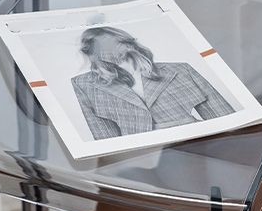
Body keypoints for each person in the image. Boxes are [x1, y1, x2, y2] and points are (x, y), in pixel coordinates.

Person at [71, 26, 235, 140]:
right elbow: (105, 139)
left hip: (196, 142)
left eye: (113, 43)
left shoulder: (179, 69)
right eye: (99, 48)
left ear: (126, 42)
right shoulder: (85, 84)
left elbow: (225, 118)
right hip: (142, 155)